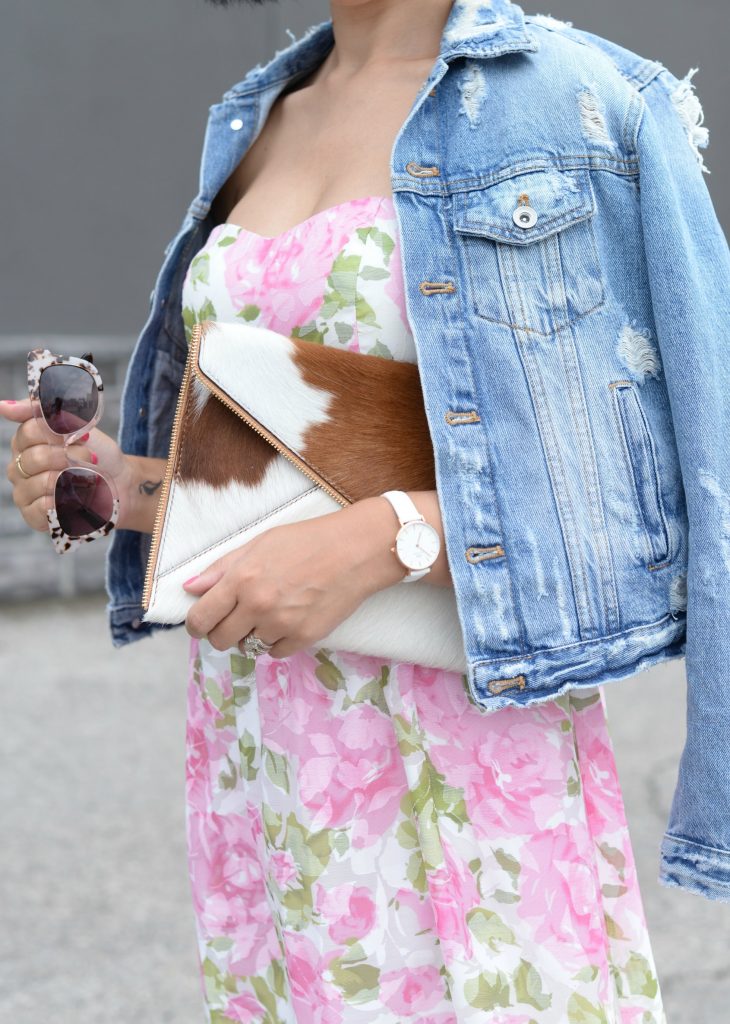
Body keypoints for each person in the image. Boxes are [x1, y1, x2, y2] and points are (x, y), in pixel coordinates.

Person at [4, 0, 729, 1019]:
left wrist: (387, 536)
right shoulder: (256, 117)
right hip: (263, 747)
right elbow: (284, 455)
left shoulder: (583, 103)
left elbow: (666, 491)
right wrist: (114, 487)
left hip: (468, 745)